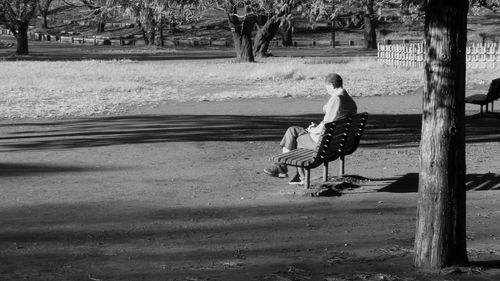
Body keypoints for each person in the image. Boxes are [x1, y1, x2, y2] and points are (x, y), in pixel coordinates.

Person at [263, 73, 357, 184]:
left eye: (327, 88)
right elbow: (332, 122)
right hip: (339, 142)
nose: (327, 91)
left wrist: (313, 130)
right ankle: (291, 172)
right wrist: (316, 128)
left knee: (294, 137)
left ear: (331, 86)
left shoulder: (337, 99)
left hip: (325, 144)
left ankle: (287, 170)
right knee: (293, 130)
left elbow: (328, 123)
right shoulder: (350, 100)